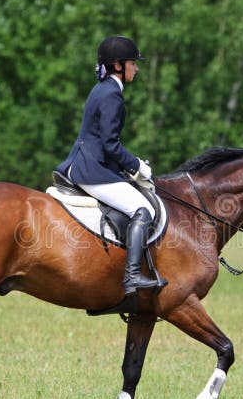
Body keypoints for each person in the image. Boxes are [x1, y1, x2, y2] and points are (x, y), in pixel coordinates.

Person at [56, 35, 163, 295]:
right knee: (142, 208)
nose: (136, 68)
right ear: (118, 65)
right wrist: (137, 166)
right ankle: (133, 276)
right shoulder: (112, 94)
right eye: (132, 63)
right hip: (91, 170)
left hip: (86, 163)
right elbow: (110, 145)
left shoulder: (102, 89)